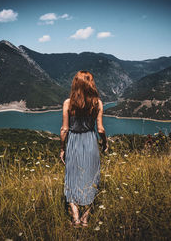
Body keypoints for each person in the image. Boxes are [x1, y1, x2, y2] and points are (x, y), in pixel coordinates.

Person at [60, 70, 108, 228]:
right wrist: (105, 143)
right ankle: (86, 218)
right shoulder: (97, 103)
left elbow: (64, 130)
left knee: (72, 177)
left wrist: (62, 148)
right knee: (90, 178)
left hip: (73, 141)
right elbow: (100, 129)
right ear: (91, 84)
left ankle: (75, 217)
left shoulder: (68, 103)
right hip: (90, 141)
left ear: (75, 83)